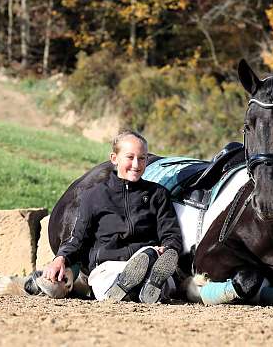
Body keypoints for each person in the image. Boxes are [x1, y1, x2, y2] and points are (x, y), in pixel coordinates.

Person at [41, 130, 182, 303]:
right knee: (119, 277)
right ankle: (133, 288)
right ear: (114, 158)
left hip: (150, 263)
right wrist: (60, 258)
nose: (136, 164)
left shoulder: (158, 195)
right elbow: (77, 239)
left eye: (142, 158)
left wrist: (167, 249)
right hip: (109, 267)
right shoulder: (93, 195)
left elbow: (171, 234)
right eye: (130, 157)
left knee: (150, 257)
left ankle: (144, 286)